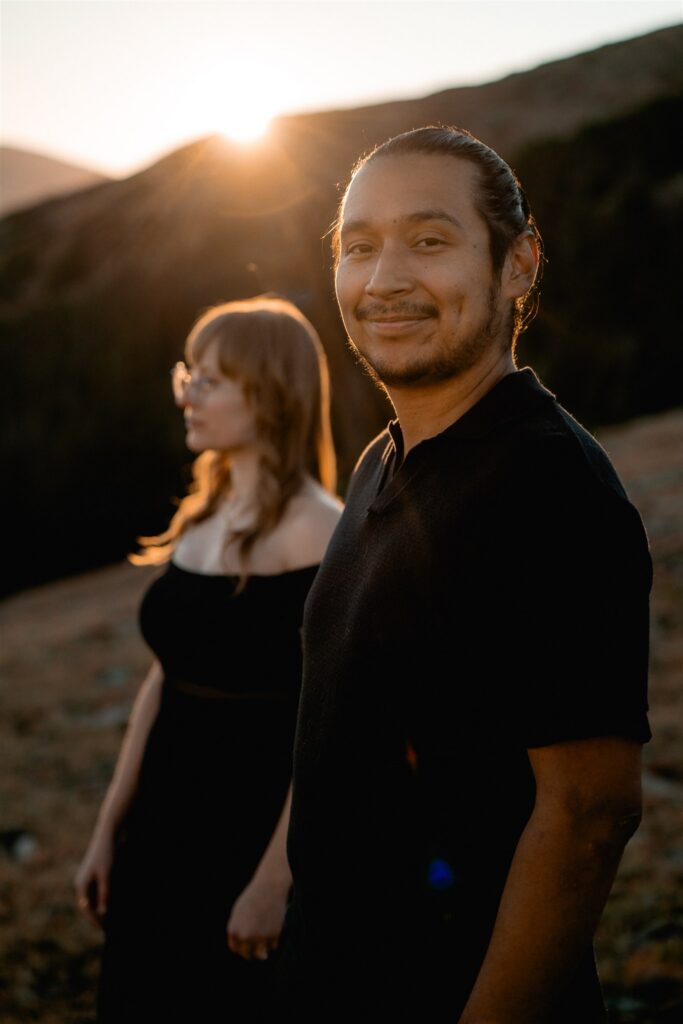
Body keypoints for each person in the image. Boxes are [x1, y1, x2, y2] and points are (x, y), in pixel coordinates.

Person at [279, 128, 652, 1022]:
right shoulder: (382, 459)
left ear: (518, 264)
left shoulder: (548, 486)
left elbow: (586, 820)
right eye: (358, 246)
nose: (383, 280)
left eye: (430, 240)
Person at [74, 295, 342, 1023]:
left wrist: (272, 881)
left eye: (212, 379)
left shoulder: (320, 533)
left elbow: (337, 725)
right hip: (161, 830)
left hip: (249, 830)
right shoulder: (200, 518)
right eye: (187, 372)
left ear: (271, 394)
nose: (188, 392)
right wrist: (108, 831)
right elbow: (166, 679)